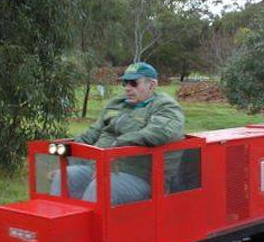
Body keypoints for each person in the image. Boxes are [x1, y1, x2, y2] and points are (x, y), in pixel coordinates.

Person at [60, 62, 185, 203]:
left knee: (101, 186)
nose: (127, 88)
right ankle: (57, 222)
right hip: (101, 167)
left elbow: (160, 133)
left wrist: (117, 146)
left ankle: (90, 224)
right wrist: (67, 154)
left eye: (133, 83)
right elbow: (92, 133)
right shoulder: (117, 103)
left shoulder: (165, 106)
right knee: (64, 176)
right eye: (125, 83)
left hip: (141, 176)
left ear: (152, 85)